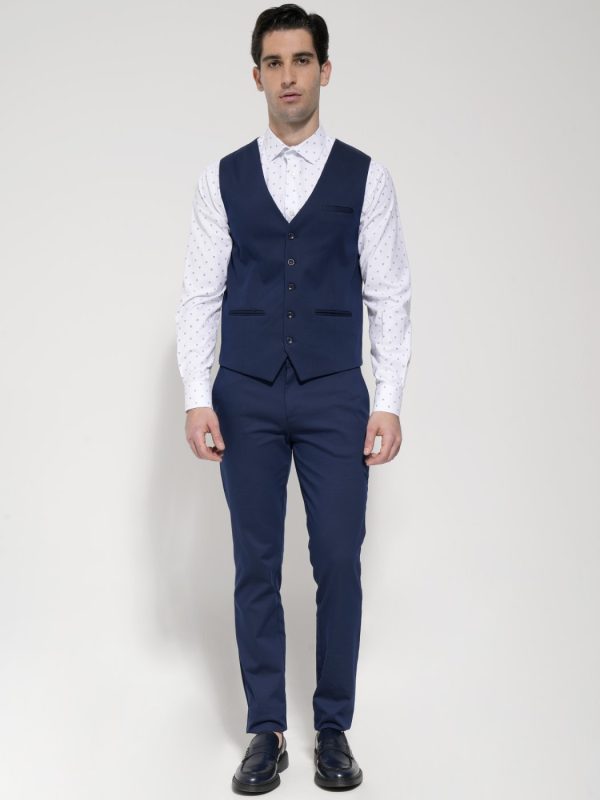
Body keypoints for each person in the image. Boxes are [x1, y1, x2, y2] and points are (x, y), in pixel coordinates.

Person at [175, 3, 412, 792]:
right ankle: (266, 730)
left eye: (301, 60)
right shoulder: (221, 178)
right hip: (242, 391)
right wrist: (196, 393)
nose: (288, 76)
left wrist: (388, 399)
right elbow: (200, 293)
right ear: (256, 77)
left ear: (324, 70)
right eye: (274, 63)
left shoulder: (365, 176)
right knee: (256, 563)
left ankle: (334, 726)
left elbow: (390, 292)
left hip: (335, 393)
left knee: (338, 559)